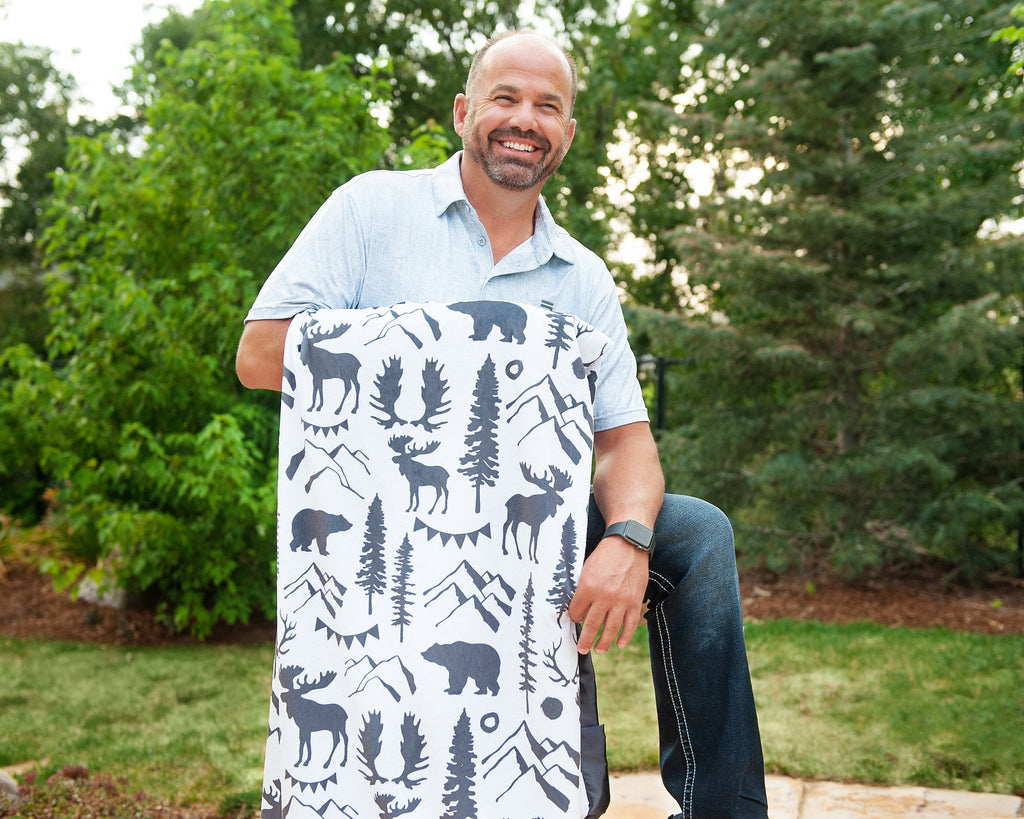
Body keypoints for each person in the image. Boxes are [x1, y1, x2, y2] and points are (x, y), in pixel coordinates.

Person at [236, 29, 768, 819]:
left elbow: (627, 443)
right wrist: (446, 339)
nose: (525, 119)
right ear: (464, 111)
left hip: (537, 528)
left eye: (547, 106)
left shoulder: (582, 277)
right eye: (506, 98)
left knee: (693, 533)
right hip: (388, 530)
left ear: (568, 134)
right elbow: (259, 352)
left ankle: (723, 810)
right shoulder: (371, 209)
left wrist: (625, 538)